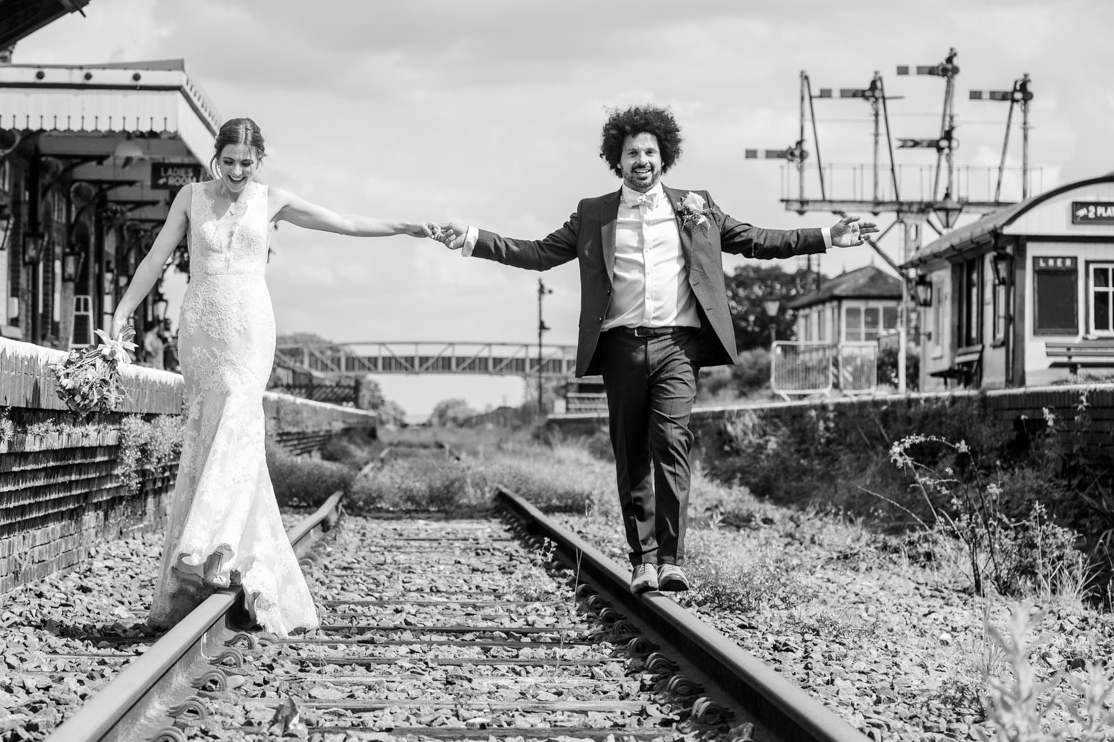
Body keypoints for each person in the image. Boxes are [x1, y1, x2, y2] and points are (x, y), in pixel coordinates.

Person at [437, 105, 875, 595]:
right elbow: (538, 253)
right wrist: (474, 239)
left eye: (649, 151)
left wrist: (826, 236)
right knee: (631, 455)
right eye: (631, 153)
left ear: (664, 157)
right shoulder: (593, 214)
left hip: (678, 347)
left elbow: (756, 240)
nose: (641, 159)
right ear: (616, 161)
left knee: (671, 445)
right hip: (621, 348)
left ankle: (671, 560)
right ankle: (642, 560)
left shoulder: (697, 206)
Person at [111, 117, 438, 634]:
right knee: (207, 430)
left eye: (248, 163)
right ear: (216, 156)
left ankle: (210, 548)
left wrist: (405, 226)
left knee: (239, 421)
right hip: (200, 329)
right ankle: (213, 550)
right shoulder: (189, 198)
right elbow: (155, 259)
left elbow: (343, 222)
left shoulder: (273, 199)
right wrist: (123, 311)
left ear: (259, 160)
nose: (238, 171)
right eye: (230, 161)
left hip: (249, 328)